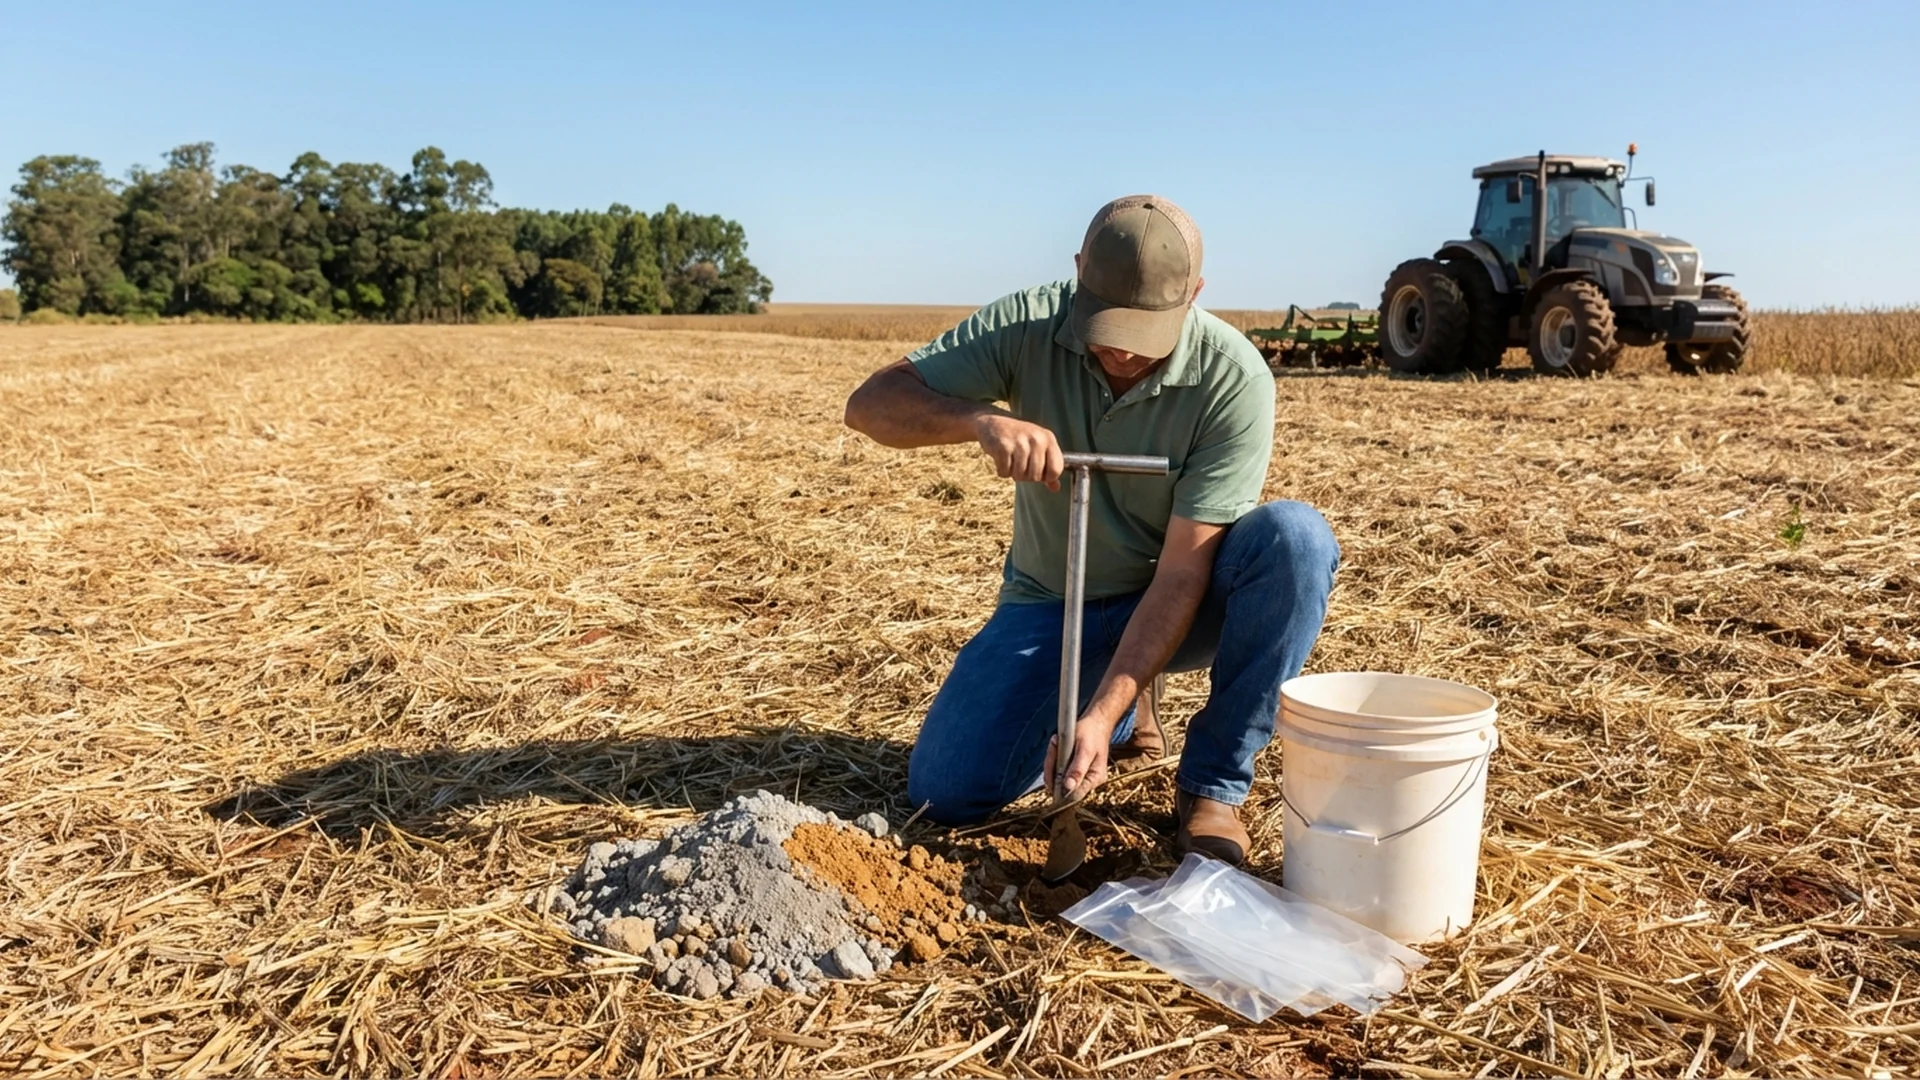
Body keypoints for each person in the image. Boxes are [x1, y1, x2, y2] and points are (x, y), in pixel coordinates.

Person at [842, 195, 1339, 865]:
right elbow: (868, 406)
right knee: (946, 793)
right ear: (1078, 271)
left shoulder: (1233, 379)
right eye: (1107, 324)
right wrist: (979, 420)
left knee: (1296, 541)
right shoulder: (1027, 324)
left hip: (1180, 595)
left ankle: (1212, 786)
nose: (1122, 352)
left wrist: (1098, 716)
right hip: (1055, 600)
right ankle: (1126, 702)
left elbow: (1184, 573)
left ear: (1195, 293)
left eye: (1146, 333)